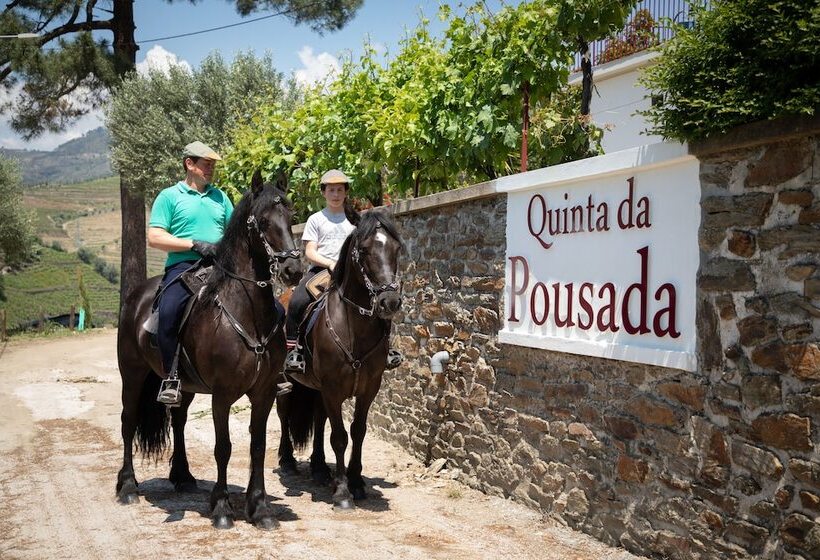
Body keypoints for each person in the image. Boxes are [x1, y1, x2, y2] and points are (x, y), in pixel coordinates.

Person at [284, 169, 402, 373]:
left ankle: (387, 348)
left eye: (340, 190)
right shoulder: (316, 219)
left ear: (346, 192)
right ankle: (294, 351)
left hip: (353, 274)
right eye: (331, 190)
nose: (336, 194)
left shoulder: (357, 220)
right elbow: (310, 251)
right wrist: (330, 263)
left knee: (380, 302)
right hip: (322, 271)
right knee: (297, 300)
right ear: (323, 193)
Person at [147, 141, 234, 405]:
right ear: (189, 164)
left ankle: (270, 371)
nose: (211, 170)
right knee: (170, 311)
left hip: (221, 267)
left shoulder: (221, 198)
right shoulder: (169, 196)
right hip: (184, 267)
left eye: (212, 166)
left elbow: (235, 233)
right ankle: (171, 378)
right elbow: (155, 237)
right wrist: (193, 244)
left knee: (268, 307)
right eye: (206, 164)